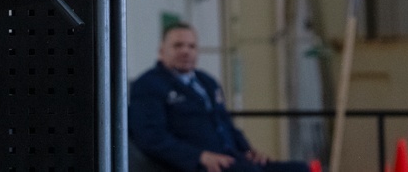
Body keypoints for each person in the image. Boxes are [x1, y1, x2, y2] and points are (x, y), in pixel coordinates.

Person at [129, 22, 310, 172]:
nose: (186, 51)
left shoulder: (207, 82)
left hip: (232, 159)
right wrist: (199, 157)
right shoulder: (148, 85)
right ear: (161, 50)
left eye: (191, 46)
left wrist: (248, 150)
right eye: (178, 45)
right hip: (192, 165)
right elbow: (151, 137)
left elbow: (225, 123)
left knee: (300, 169)